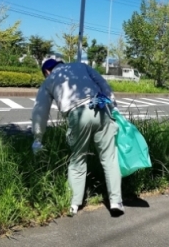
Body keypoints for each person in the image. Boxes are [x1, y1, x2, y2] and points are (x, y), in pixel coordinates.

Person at [31, 59, 124, 216]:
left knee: (78, 159)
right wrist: (113, 106)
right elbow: (102, 83)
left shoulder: (49, 80)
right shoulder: (80, 66)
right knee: (109, 157)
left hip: (78, 114)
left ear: (47, 71)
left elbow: (40, 111)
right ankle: (116, 202)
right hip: (101, 108)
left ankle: (74, 204)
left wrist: (38, 137)